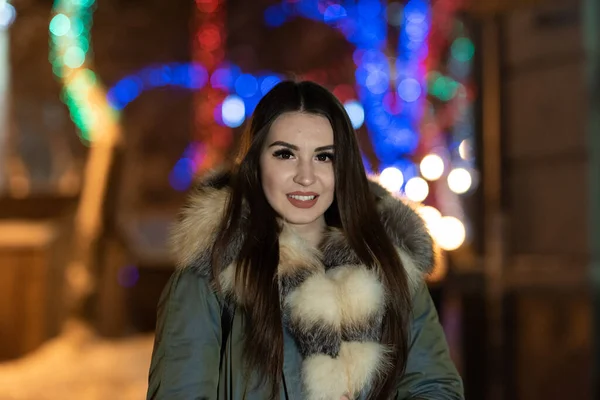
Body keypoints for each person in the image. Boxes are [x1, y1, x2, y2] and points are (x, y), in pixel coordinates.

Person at [146, 80, 464, 400]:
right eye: (285, 154)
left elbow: (435, 388)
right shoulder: (211, 279)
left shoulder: (391, 267)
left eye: (324, 157)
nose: (306, 176)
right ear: (256, 162)